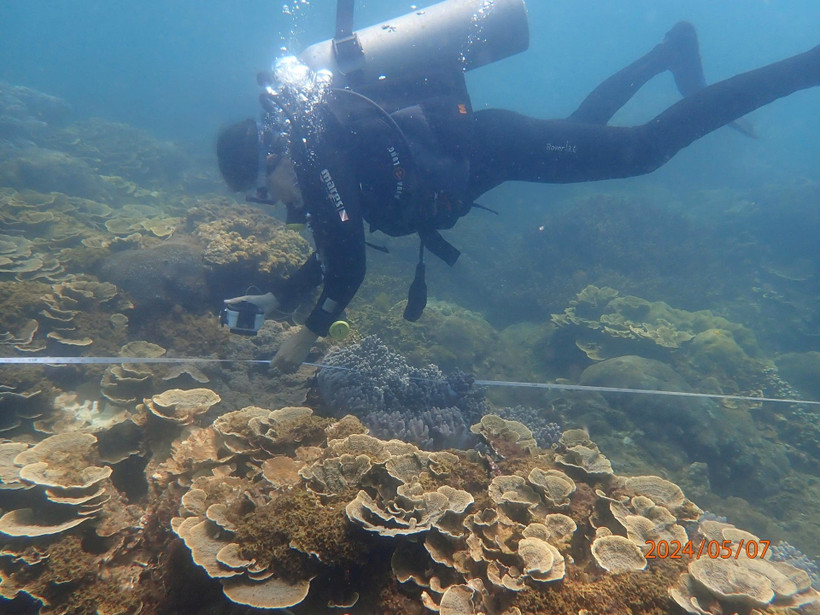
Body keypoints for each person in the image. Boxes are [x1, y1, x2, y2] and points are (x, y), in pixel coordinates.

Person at [217, 18, 820, 372]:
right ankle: (670, 51)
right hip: (481, 158)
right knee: (586, 127)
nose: (270, 204)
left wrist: (309, 331)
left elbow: (347, 264)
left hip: (493, 147)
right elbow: (333, 242)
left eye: (259, 193)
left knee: (644, 150)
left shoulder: (318, 155)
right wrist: (276, 297)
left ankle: (805, 66)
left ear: (272, 158)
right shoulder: (318, 153)